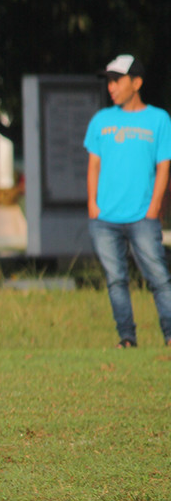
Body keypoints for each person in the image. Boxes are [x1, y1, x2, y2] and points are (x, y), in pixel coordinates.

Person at [84, 54, 171, 348]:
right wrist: (93, 204)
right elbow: (94, 165)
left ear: (136, 83)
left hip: (142, 216)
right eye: (109, 81)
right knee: (115, 280)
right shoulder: (101, 120)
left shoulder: (158, 120)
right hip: (105, 218)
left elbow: (163, 167)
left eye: (117, 80)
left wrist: (154, 207)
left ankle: (170, 335)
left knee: (158, 278)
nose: (111, 87)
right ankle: (127, 338)